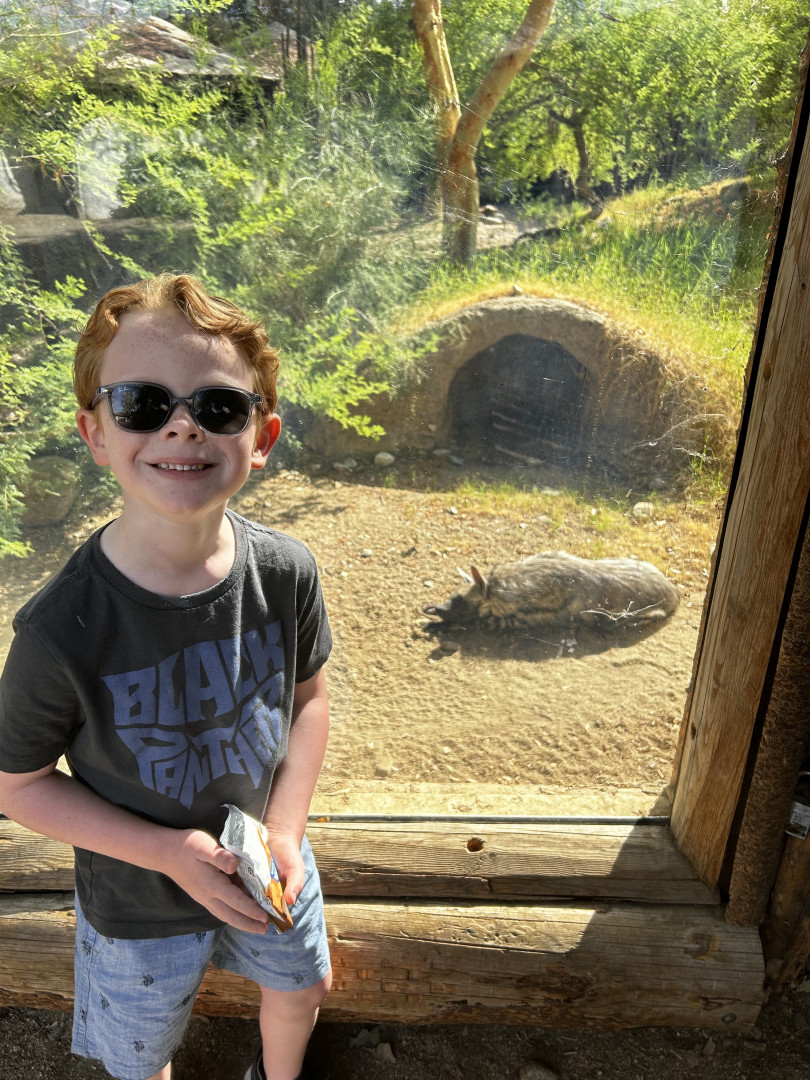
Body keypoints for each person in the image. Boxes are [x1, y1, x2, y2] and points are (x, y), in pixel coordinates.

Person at [0, 274, 332, 1080]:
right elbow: (18, 786)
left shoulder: (285, 572)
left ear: (262, 436)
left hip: (267, 860)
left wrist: (286, 830)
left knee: (302, 987)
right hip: (135, 901)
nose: (182, 425)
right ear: (95, 432)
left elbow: (308, 701)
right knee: (142, 1052)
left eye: (218, 406)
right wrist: (165, 851)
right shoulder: (60, 629)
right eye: (142, 404)